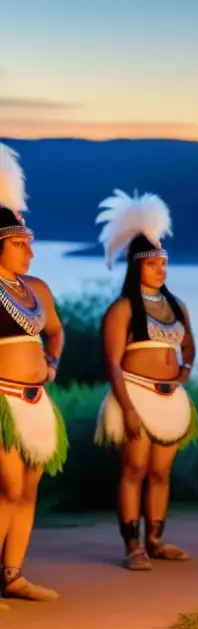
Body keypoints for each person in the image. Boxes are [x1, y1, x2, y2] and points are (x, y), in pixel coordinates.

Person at [95, 190, 198, 570]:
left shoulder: (176, 306)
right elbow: (111, 361)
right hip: (135, 394)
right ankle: (132, 547)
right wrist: (127, 408)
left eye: (164, 262)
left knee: (160, 472)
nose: (161, 269)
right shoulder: (123, 308)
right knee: (134, 470)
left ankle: (155, 540)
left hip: (170, 397)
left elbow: (189, 346)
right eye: (153, 263)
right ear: (136, 266)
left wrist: (185, 373)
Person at [0, 143, 67, 602]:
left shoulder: (37, 288)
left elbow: (56, 332)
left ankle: (12, 575)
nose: (30, 252)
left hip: (36, 402)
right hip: (1, 399)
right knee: (6, 485)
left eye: (30, 244)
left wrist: (53, 363)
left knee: (27, 489)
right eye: (21, 244)